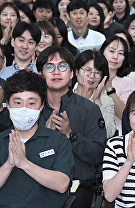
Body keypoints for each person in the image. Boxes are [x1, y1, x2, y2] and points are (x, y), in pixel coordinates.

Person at [36, 46, 106, 208]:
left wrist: (70, 135)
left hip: (78, 184)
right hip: (39, 181)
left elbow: (98, 155)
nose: (56, 72)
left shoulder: (89, 109)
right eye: (49, 67)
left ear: (72, 73)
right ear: (41, 74)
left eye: (62, 66)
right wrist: (45, 137)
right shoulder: (33, 109)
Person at [0, 70, 74, 207]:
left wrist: (24, 163)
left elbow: (63, 184)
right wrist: (8, 165)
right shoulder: (1, 140)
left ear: (41, 106)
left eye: (31, 103)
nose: (24, 108)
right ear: (8, 106)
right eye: (17, 102)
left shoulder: (58, 140)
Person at [73, 50, 116, 139]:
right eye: (88, 70)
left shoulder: (106, 101)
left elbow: (108, 132)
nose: (92, 76)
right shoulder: (65, 96)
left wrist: (97, 103)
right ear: (76, 71)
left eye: (97, 73)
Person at [100, 35, 135, 128]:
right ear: (102, 51)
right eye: (111, 51)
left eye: (121, 53)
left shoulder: (127, 83)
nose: (115, 57)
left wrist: (110, 90)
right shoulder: (91, 77)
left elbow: (124, 115)